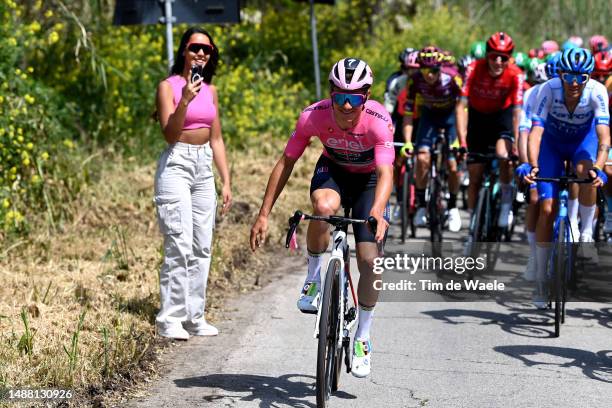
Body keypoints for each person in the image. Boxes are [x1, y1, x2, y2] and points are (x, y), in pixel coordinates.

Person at [250, 58, 393, 378]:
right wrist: (263, 214)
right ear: (330, 92)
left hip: (370, 182)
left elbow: (386, 172)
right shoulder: (312, 116)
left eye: (354, 97)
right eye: (338, 95)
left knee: (370, 260)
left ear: (366, 96)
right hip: (334, 172)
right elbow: (285, 162)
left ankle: (364, 337)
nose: (345, 104)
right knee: (323, 207)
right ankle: (314, 277)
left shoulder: (378, 121)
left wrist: (377, 211)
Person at [154, 27, 232, 340]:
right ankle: (169, 319)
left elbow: (217, 138)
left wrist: (225, 180)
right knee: (179, 243)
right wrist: (184, 100)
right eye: (195, 47)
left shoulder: (211, 91)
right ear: (184, 51)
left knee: (202, 245)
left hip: (203, 167)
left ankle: (194, 316)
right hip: (177, 163)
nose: (201, 53)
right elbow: (169, 133)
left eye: (207, 49)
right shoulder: (168, 87)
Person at [523, 47, 610, 308]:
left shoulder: (597, 91)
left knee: (586, 172)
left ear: (588, 77)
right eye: (568, 77)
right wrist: (532, 165)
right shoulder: (547, 90)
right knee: (546, 208)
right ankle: (540, 278)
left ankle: (585, 234)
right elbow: (535, 134)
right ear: (559, 74)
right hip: (551, 144)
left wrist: (600, 166)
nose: (574, 84)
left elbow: (604, 137)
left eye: (581, 78)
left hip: (582, 142)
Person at [457, 32, 524, 232]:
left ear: (509, 58)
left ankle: (505, 202)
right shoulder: (473, 69)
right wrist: (462, 141)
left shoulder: (516, 74)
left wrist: (518, 146)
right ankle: (473, 221)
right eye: (494, 56)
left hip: (501, 117)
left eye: (503, 57)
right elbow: (461, 106)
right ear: (486, 55)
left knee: (504, 155)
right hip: (477, 117)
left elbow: (517, 113)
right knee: (475, 175)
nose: (497, 61)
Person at [401, 46, 464, 232]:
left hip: (451, 117)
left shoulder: (453, 78)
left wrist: (460, 139)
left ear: (441, 68)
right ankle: (421, 205)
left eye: (434, 70)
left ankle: (453, 206)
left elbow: (463, 109)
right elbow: (408, 113)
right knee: (422, 159)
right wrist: (406, 141)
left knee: (453, 166)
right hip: (429, 117)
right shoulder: (414, 80)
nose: (429, 75)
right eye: (425, 70)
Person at [515, 55, 558, 281]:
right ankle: (534, 256)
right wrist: (526, 162)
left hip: (565, 147)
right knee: (535, 198)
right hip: (540, 148)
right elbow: (525, 132)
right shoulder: (534, 94)